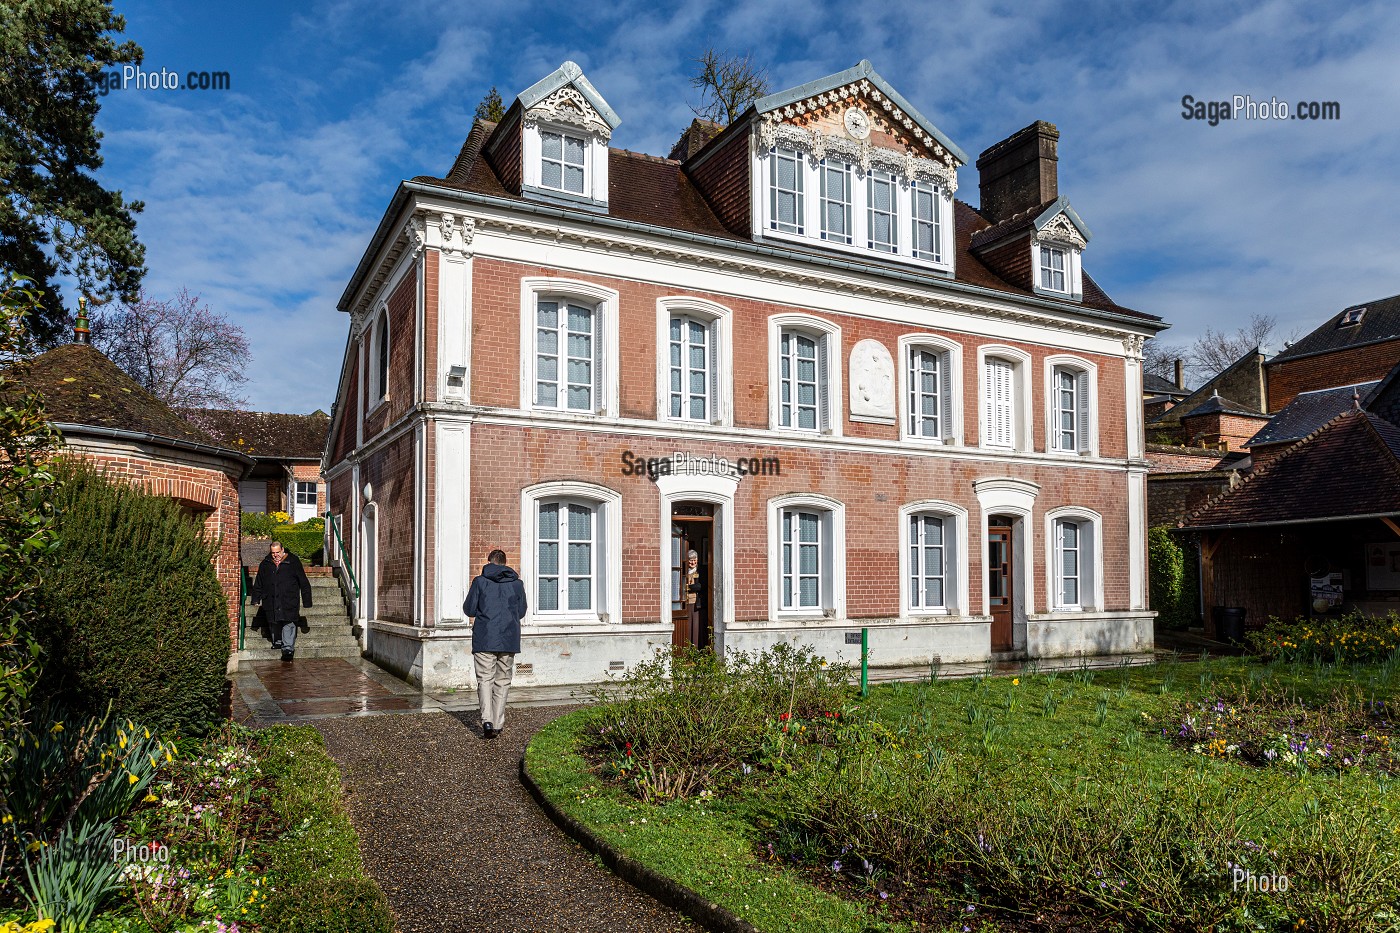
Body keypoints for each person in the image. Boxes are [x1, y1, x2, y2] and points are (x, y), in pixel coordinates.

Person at [463, 548, 528, 740]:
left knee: (485, 680)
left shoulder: (480, 582)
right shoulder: (517, 584)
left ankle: (487, 721)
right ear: (505, 563)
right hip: (509, 637)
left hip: (485, 637)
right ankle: (498, 724)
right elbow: (522, 611)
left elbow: (469, 609)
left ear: (490, 562)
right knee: (503, 681)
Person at [251, 540, 313, 662]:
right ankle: (277, 642)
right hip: (271, 599)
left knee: (288, 623)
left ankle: (288, 649)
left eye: (278, 552)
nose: (275, 555)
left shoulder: (293, 562)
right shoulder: (265, 564)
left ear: (283, 549)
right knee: (274, 622)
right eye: (273, 553)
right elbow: (259, 582)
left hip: (289, 599)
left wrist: (307, 601)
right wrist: (255, 598)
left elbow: (303, 581)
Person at [684, 549, 707, 648]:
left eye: (694, 560)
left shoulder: (701, 570)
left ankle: (696, 648)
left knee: (696, 627)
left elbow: (701, 586)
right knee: (687, 626)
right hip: (685, 603)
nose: (693, 562)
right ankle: (687, 648)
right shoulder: (684, 570)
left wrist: (689, 587)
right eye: (690, 560)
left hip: (697, 604)